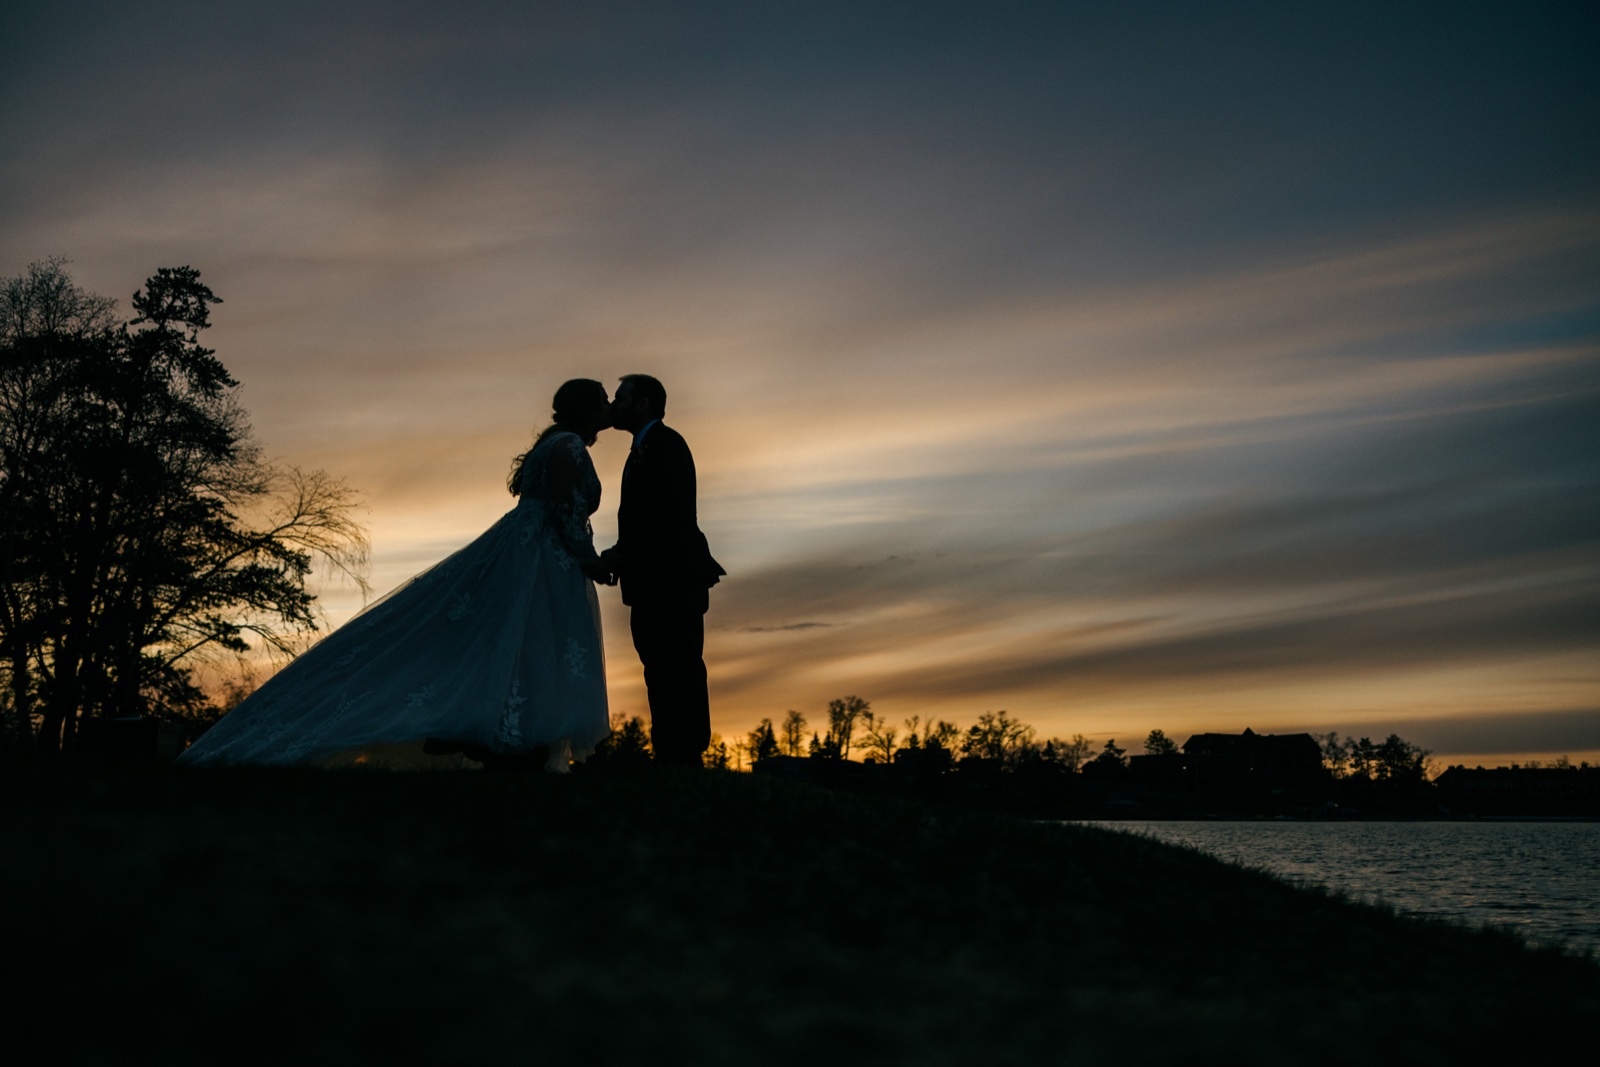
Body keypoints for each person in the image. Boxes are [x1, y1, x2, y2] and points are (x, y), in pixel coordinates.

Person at [178, 380, 615, 771]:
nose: (609, 406)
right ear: (583, 409)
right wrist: (588, 558)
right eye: (602, 401)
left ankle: (504, 738)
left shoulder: (554, 444)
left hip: (529, 550)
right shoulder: (568, 447)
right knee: (532, 639)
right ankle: (486, 733)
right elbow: (566, 510)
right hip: (541, 556)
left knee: (515, 643)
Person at [600, 374, 724, 768]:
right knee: (658, 666)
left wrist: (621, 555)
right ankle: (669, 750)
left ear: (643, 403)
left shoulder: (666, 445)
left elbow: (662, 514)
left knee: (679, 664)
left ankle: (684, 754)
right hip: (654, 581)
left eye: (620, 398)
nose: (613, 405)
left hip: (672, 579)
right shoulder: (642, 449)